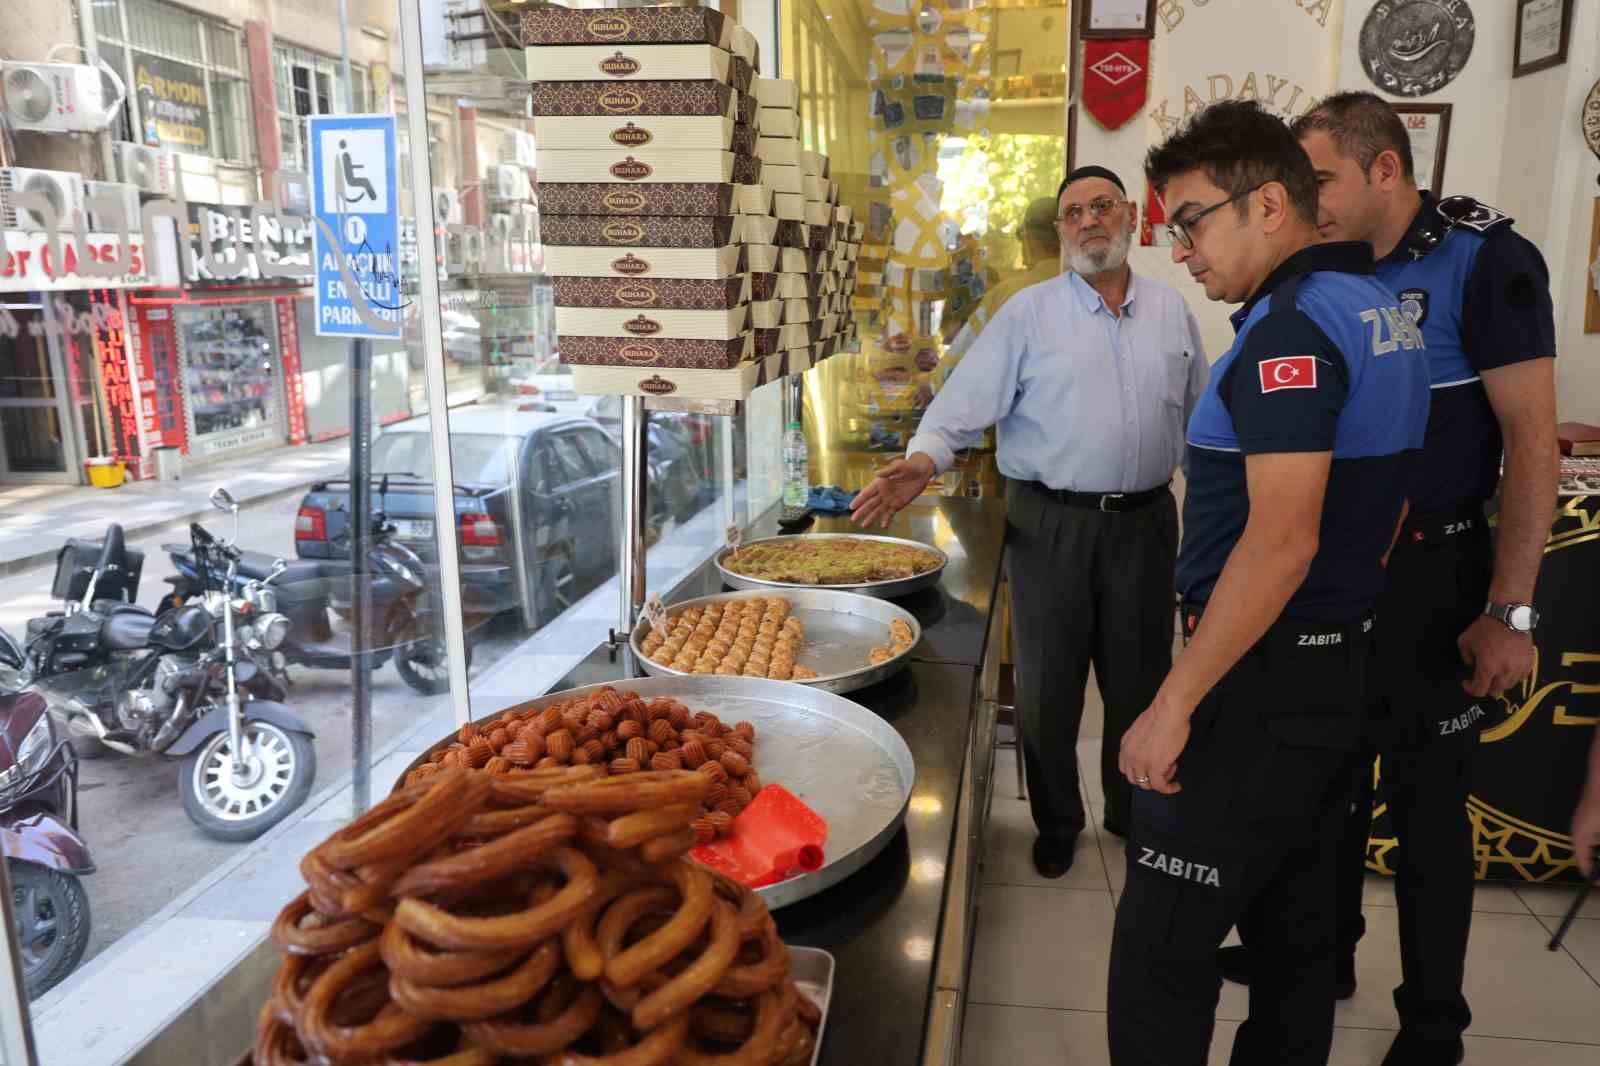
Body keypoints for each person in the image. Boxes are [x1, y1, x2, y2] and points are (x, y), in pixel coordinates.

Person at [1213, 91, 1560, 1066]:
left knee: (1425, 812)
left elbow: (1532, 443)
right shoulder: (1326, 272)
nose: (1300, 196)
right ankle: (1322, 961)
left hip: (1433, 579)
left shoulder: (1482, 261)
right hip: (1334, 577)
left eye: (1316, 177)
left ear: (1384, 170)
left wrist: (1509, 609)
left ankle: (1432, 1023)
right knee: (1321, 790)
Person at [1107, 100, 1429, 1065]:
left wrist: (1173, 704)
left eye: (1194, 219)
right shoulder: (1382, 309)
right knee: (1296, 943)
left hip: (1260, 686)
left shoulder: (1290, 333)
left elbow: (1281, 541)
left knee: (1160, 957)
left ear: (1272, 203)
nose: (1181, 251)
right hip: (1336, 674)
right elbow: (1392, 510)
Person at [851, 165, 1208, 878]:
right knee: (1049, 684)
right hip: (1051, 522)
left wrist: (1216, 528)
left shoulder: (1172, 313)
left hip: (1144, 523)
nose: (1087, 222)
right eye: (1073, 213)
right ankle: (1057, 819)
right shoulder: (1030, 313)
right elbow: (960, 405)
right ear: (1062, 230)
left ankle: (1132, 811)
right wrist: (924, 460)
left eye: (1101, 207)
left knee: (1140, 677)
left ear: (1132, 216)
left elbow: (1199, 423)